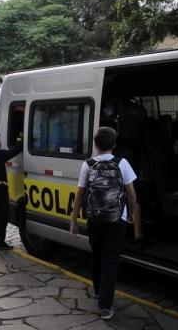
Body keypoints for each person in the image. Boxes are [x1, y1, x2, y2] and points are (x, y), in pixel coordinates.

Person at [70, 127, 140, 320]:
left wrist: (73, 221)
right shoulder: (122, 163)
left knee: (98, 256)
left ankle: (99, 291)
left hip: (94, 220)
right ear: (114, 144)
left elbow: (79, 195)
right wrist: (132, 214)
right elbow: (131, 193)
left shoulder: (88, 165)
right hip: (117, 220)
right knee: (110, 262)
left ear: (95, 144)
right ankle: (105, 307)